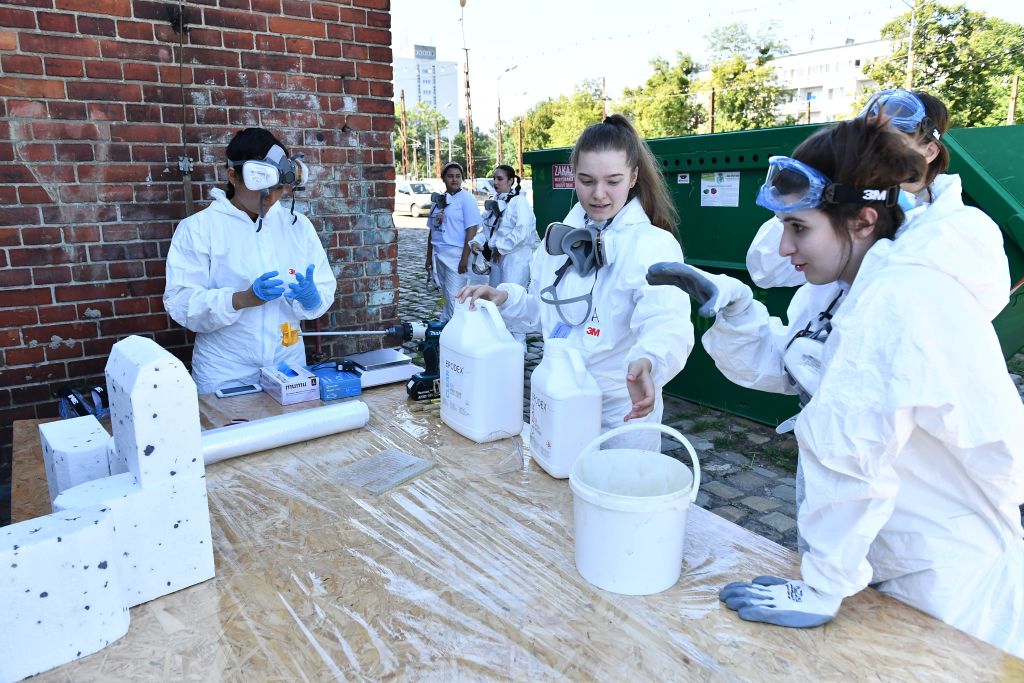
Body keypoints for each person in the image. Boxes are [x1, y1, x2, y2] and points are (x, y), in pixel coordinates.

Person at [651, 116, 1024, 657]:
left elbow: (850, 451)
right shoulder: (852, 285)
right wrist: (731, 310)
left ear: (863, 220)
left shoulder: (899, 298)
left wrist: (823, 585)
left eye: (799, 228)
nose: (783, 247)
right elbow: (799, 367)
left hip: (944, 586)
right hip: (889, 563)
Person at [458, 115, 694, 451]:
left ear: (634, 177)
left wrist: (650, 360)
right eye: (586, 181)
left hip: (619, 412)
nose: (599, 194)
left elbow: (668, 323)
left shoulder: (653, 245)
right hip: (558, 401)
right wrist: (504, 298)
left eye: (613, 181)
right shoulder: (560, 238)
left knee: (614, 497)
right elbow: (544, 310)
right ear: (573, 177)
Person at [163, 128, 336, 395]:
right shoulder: (199, 229)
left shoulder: (297, 227)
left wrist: (313, 299)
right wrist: (240, 299)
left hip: (288, 364)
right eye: (263, 190)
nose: (271, 198)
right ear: (233, 176)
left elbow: (324, 286)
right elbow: (181, 302)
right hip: (225, 371)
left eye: (278, 189)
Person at [746, 89, 954, 289]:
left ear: (929, 152)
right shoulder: (844, 195)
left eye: (888, 142)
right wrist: (801, 205)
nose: (869, 153)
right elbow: (765, 271)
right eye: (866, 142)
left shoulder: (948, 233)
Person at [469, 164, 538, 340]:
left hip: (516, 258)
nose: (496, 182)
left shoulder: (519, 202)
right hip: (497, 259)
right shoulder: (496, 201)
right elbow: (488, 227)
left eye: (500, 178)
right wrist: (478, 241)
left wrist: (501, 248)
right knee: (495, 297)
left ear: (511, 181)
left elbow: (522, 231)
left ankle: (518, 346)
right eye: (494, 178)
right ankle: (499, 339)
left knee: (512, 300)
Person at [425, 162, 482, 320]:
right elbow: (432, 230)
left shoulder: (466, 199)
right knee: (445, 295)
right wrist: (428, 256)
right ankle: (446, 327)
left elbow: (472, 229)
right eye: (450, 176)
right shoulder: (438, 200)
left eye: (458, 176)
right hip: (439, 254)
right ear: (443, 178)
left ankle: (456, 330)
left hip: (456, 256)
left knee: (455, 296)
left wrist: (465, 257)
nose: (454, 180)